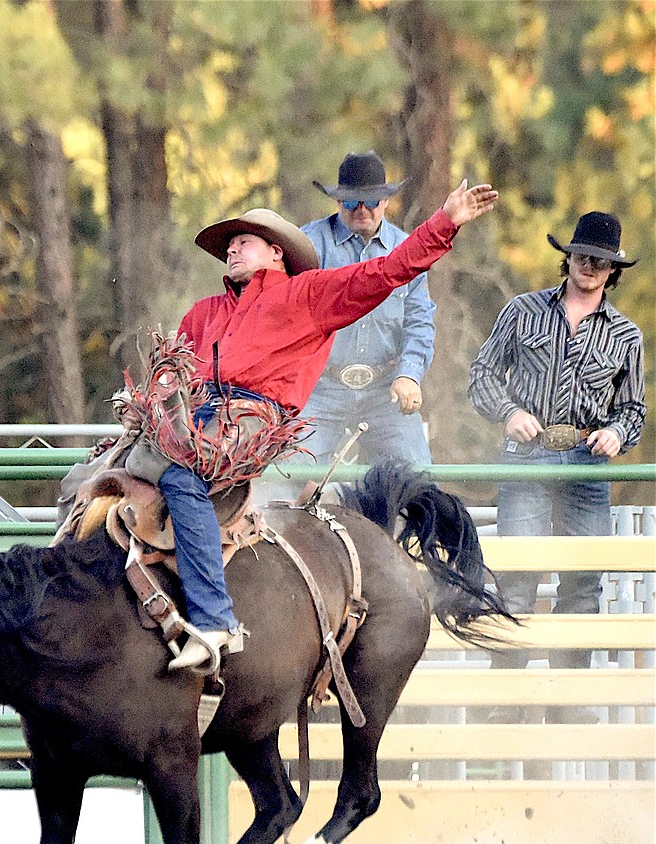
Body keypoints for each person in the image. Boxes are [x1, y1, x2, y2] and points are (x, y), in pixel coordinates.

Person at [162, 179, 499, 672]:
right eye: (228, 244)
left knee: (181, 479)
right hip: (197, 420)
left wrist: (444, 222)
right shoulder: (203, 313)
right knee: (102, 476)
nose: (232, 248)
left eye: (244, 240)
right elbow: (174, 369)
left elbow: (386, 272)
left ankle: (214, 619)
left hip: (254, 421)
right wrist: (152, 395)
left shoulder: (307, 295)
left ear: (276, 253)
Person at [468, 211, 646, 723]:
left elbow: (632, 408)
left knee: (583, 582)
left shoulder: (627, 336)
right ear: (566, 258)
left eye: (602, 261)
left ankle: (567, 700)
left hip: (587, 463)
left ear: (614, 272)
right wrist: (509, 413)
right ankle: (508, 702)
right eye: (583, 255)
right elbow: (482, 373)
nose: (590, 266)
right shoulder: (522, 310)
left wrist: (617, 433)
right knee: (517, 576)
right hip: (527, 455)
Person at [300, 151, 435, 466]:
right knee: (285, 477)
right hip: (319, 388)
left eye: (371, 201)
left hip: (385, 390)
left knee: (418, 482)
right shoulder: (308, 244)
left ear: (386, 201)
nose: (361, 210)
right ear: (337, 202)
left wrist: (410, 375)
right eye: (351, 202)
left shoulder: (408, 252)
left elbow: (420, 323)